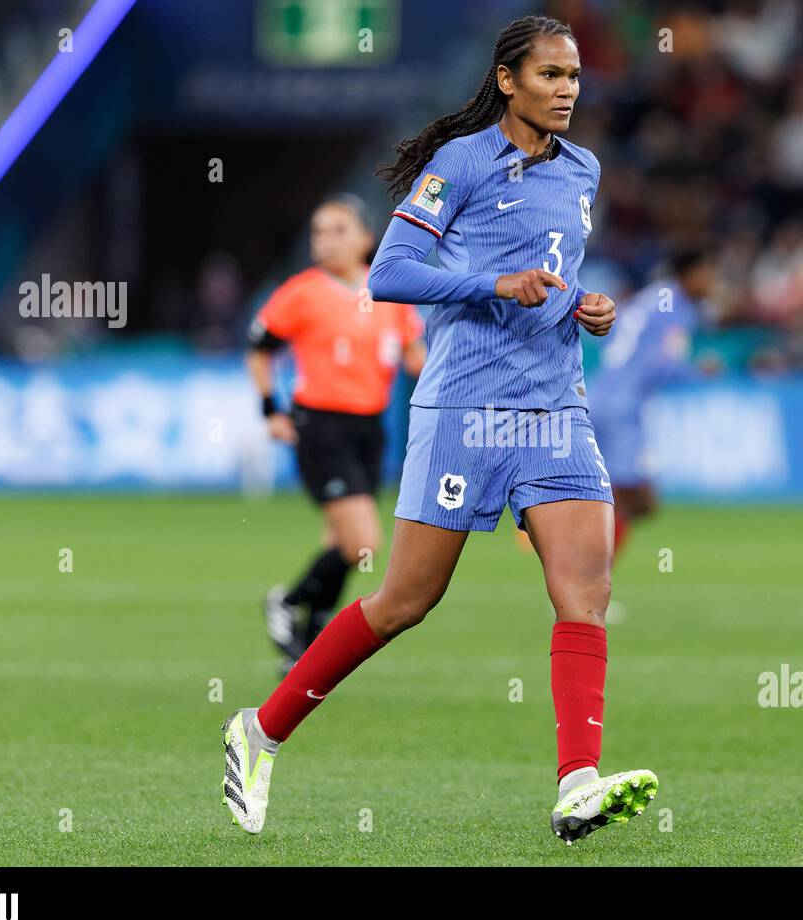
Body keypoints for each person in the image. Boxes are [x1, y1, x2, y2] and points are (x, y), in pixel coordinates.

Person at [221, 15, 658, 845]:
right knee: (404, 600)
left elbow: (554, 269)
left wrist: (581, 304)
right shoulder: (457, 166)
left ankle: (577, 782)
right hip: (462, 409)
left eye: (573, 77)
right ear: (507, 80)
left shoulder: (583, 170)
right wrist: (496, 282)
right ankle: (262, 729)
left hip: (555, 406)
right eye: (550, 76)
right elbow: (387, 273)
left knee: (585, 594)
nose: (567, 91)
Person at [246, 195, 425, 666]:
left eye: (338, 230)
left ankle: (306, 641)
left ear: (367, 239)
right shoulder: (303, 291)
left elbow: (415, 359)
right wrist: (271, 409)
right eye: (318, 232)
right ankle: (287, 602)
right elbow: (260, 350)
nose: (325, 241)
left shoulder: (389, 292)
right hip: (321, 426)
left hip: (370, 431)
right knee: (363, 542)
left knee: (341, 544)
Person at [588, 247, 720, 565]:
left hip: (598, 397)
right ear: (689, 274)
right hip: (624, 408)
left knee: (622, 499)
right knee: (636, 499)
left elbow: (615, 341)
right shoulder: (678, 308)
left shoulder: (651, 298)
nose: (711, 282)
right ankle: (586, 581)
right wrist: (696, 371)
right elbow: (660, 364)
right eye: (707, 274)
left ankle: (583, 576)